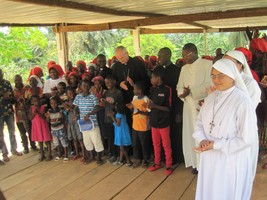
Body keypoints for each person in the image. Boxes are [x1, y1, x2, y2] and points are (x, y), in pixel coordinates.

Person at [193, 59, 258, 200]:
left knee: (225, 193)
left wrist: (216, 145)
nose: (216, 80)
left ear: (232, 75)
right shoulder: (211, 97)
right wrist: (202, 139)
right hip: (209, 157)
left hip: (229, 159)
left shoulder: (242, 101)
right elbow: (199, 123)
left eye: (221, 75)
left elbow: (247, 139)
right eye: (213, 76)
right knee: (209, 191)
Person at [177, 43, 212, 174]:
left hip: (201, 104)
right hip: (188, 105)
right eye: (184, 55)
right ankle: (195, 163)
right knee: (190, 133)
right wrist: (183, 93)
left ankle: (205, 164)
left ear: (196, 52)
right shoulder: (184, 68)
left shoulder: (207, 65)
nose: (186, 57)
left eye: (188, 54)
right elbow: (179, 87)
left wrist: (192, 91)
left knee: (203, 132)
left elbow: (210, 84)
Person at [155, 47, 184, 164]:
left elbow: (180, 94)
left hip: (173, 109)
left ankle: (176, 158)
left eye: (161, 56)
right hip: (160, 110)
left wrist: (179, 112)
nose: (158, 59)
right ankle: (163, 159)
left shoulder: (177, 70)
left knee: (174, 134)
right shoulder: (157, 70)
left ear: (168, 55)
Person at [144, 69, 173, 176]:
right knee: (155, 144)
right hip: (154, 122)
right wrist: (147, 106)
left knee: (166, 145)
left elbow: (168, 108)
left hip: (164, 123)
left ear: (158, 78)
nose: (151, 79)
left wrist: (154, 106)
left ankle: (169, 164)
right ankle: (157, 163)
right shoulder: (152, 89)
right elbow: (151, 103)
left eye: (152, 77)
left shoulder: (167, 89)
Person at [73, 80, 104, 165]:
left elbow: (97, 108)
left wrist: (89, 114)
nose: (85, 87)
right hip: (83, 123)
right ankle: (91, 157)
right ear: (81, 87)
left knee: (96, 139)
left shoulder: (93, 97)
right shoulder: (78, 97)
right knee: (87, 140)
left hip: (93, 122)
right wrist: (75, 114)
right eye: (84, 86)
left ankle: (99, 158)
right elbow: (76, 108)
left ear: (90, 87)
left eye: (87, 86)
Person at [126, 81, 151, 168]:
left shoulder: (146, 99)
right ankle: (138, 159)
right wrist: (130, 108)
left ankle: (146, 160)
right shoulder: (135, 98)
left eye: (134, 89)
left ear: (140, 90)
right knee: (135, 143)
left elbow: (149, 113)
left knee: (144, 144)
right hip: (135, 126)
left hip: (144, 126)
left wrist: (139, 111)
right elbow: (133, 109)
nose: (133, 91)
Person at [100, 75, 124, 163]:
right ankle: (113, 154)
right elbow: (105, 104)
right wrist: (103, 104)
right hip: (107, 118)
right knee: (110, 138)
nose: (107, 84)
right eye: (106, 83)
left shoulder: (118, 93)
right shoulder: (106, 93)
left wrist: (108, 104)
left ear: (114, 82)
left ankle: (119, 155)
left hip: (116, 118)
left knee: (117, 137)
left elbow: (120, 106)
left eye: (109, 82)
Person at [0, 69, 22, 162]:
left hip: (9, 111)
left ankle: (14, 149)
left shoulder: (7, 83)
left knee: (12, 131)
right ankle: (4, 153)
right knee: (0, 134)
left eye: (1, 73)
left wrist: (9, 97)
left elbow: (13, 98)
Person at [13, 75, 37, 154]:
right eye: (16, 80)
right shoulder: (13, 90)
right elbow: (12, 101)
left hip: (27, 114)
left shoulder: (26, 88)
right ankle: (25, 147)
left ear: (21, 80)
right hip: (19, 115)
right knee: (22, 132)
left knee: (30, 130)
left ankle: (33, 145)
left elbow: (30, 98)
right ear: (14, 81)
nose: (18, 82)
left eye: (19, 80)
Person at [64, 86, 85, 161]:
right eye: (69, 93)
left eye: (72, 92)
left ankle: (84, 154)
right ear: (66, 94)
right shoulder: (66, 102)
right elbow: (65, 113)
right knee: (74, 139)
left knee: (80, 138)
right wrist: (65, 109)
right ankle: (77, 153)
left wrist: (69, 108)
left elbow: (77, 111)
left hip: (77, 121)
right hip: (70, 121)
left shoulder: (77, 101)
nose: (71, 94)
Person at [29, 95, 52, 161]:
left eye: (37, 101)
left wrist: (38, 112)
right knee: (40, 141)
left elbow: (44, 117)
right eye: (34, 101)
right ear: (32, 102)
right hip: (36, 126)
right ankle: (42, 154)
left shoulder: (43, 107)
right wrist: (34, 113)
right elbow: (30, 118)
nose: (36, 102)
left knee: (47, 140)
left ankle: (49, 154)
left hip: (43, 125)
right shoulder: (31, 108)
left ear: (40, 100)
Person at [46, 96, 69, 161]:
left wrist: (57, 119)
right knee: (56, 143)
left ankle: (66, 155)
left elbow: (63, 119)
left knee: (63, 142)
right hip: (53, 129)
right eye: (51, 103)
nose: (53, 105)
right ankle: (59, 154)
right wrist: (47, 117)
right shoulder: (49, 111)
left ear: (57, 103)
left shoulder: (60, 110)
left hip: (60, 128)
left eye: (55, 103)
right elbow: (48, 121)